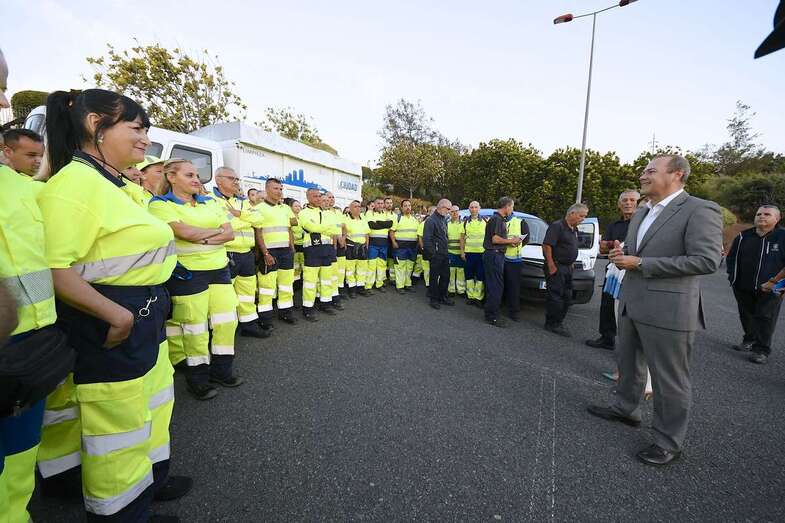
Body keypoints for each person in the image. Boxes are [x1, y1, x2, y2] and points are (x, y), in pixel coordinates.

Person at [38, 88, 187, 521]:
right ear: (95, 125)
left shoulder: (115, 184)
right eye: (136, 128)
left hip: (145, 311)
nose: (145, 139)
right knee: (118, 429)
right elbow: (54, 267)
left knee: (151, 407)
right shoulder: (75, 184)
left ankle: (150, 486)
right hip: (112, 318)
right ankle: (122, 513)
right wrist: (115, 314)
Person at [587, 154, 723, 467]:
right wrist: (623, 254)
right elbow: (637, 252)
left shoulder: (700, 209)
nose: (642, 175)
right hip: (632, 302)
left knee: (669, 379)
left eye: (650, 170)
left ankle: (667, 442)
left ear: (677, 174)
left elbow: (706, 260)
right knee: (629, 362)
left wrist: (641, 263)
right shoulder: (643, 211)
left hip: (669, 310)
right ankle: (626, 409)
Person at [0, 116, 59, 522]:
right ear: (7, 152)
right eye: (30, 154)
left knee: (20, 448)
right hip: (16, 337)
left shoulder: (26, 189)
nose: (37, 161)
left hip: (30, 337)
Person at [150, 158, 243, 402]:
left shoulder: (210, 201)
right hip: (188, 273)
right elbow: (183, 232)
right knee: (195, 327)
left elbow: (230, 234)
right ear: (171, 177)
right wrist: (214, 233)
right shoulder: (160, 204)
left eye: (197, 175)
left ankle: (222, 371)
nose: (196, 179)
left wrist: (201, 237)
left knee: (227, 321)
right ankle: (198, 379)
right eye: (189, 175)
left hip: (219, 270)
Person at [212, 167, 269, 339]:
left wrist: (237, 215)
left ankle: (249, 325)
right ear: (218, 180)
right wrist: (246, 219)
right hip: (227, 253)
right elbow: (225, 225)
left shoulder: (242, 201)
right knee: (224, 296)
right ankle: (222, 331)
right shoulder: (211, 200)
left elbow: (259, 219)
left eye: (237, 179)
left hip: (246, 254)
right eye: (232, 178)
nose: (236, 182)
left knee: (247, 293)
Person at [726, 205, 785, 364]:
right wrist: (732, 277)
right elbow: (731, 258)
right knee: (746, 314)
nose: (761, 216)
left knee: (765, 316)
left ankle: (761, 350)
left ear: (777, 218)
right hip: (742, 285)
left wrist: (777, 284)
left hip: (774, 287)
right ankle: (749, 340)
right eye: (759, 214)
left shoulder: (782, 237)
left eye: (767, 214)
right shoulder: (743, 236)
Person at [586, 190, 640, 350]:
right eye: (624, 200)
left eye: (632, 200)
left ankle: (630, 347)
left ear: (639, 203)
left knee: (629, 309)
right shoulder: (614, 225)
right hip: (612, 272)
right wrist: (613, 244)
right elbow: (602, 249)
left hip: (632, 272)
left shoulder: (642, 224)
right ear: (619, 204)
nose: (628, 203)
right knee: (607, 305)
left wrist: (612, 244)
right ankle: (607, 338)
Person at [255, 177, 298, 328]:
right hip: (270, 252)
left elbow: (290, 228)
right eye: (275, 188)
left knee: (286, 285)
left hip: (286, 251)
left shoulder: (286, 208)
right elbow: (258, 233)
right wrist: (265, 253)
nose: (279, 191)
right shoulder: (259, 208)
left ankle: (286, 312)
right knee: (267, 287)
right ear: (267, 189)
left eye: (280, 189)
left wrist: (292, 247)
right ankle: (265, 318)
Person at [542, 203, 588, 337]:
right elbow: (546, 246)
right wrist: (551, 265)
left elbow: (570, 247)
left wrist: (571, 262)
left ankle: (558, 321)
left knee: (567, 296)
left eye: (584, 216)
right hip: (557, 266)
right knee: (555, 296)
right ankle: (552, 324)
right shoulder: (557, 226)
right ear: (572, 213)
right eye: (581, 216)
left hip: (567, 267)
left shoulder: (574, 229)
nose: (583, 219)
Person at [483, 197, 522, 327]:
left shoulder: (497, 219)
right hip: (494, 255)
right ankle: (492, 317)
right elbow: (495, 239)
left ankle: (491, 313)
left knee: (494, 285)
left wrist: (509, 243)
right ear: (506, 206)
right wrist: (511, 241)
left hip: (494, 255)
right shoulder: (497, 219)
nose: (512, 209)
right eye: (512, 207)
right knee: (496, 286)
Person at [299, 188, 335, 321]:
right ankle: (308, 309)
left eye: (319, 196)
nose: (318, 198)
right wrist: (326, 227)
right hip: (312, 250)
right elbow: (311, 228)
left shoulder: (326, 212)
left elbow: (334, 229)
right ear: (308, 197)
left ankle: (325, 304)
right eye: (315, 196)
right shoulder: (303, 212)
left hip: (327, 249)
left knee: (326, 279)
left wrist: (320, 228)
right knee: (310, 282)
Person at [423, 199, 453, 309]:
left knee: (446, 276)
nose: (449, 211)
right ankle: (434, 299)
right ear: (441, 207)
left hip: (444, 253)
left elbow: (444, 236)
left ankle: (442, 296)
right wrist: (433, 254)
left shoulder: (443, 219)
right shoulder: (431, 220)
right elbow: (427, 239)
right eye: (448, 209)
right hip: (436, 255)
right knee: (434, 277)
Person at [502, 210, 530, 321]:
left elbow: (526, 239)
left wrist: (517, 245)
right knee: (499, 285)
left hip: (514, 260)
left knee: (513, 287)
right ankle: (499, 307)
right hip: (500, 258)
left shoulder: (520, 222)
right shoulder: (499, 221)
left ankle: (513, 311)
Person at [390, 199, 420, 294]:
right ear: (402, 208)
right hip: (400, 247)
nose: (408, 207)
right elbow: (391, 232)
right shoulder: (397, 218)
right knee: (400, 267)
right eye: (405, 206)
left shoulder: (415, 220)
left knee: (409, 267)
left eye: (409, 205)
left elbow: (418, 233)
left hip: (412, 247)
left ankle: (408, 284)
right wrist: (394, 242)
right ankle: (400, 286)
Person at [365, 197, 394, 292]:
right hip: (373, 243)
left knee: (382, 265)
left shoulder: (386, 213)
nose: (380, 205)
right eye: (378, 203)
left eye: (382, 203)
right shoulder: (369, 213)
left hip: (384, 243)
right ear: (374, 204)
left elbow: (390, 224)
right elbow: (371, 225)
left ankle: (379, 284)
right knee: (371, 265)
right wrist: (383, 224)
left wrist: (377, 223)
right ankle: (368, 285)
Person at [461, 201, 487, 307]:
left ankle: (478, 297)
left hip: (482, 254)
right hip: (469, 254)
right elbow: (462, 238)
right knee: (469, 276)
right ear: (469, 208)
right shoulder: (465, 222)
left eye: (476, 207)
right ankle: (470, 296)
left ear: (479, 208)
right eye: (472, 207)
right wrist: (462, 252)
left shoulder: (485, 221)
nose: (474, 209)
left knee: (481, 276)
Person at [344, 200, 371, 297]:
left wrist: (366, 245)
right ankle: (352, 289)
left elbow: (366, 233)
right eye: (355, 206)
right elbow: (343, 234)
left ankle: (361, 287)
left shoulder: (363, 218)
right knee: (350, 269)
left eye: (359, 206)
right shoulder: (345, 219)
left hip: (362, 247)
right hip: (351, 247)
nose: (358, 208)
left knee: (362, 269)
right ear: (350, 208)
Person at [447, 206, 466, 296]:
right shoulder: (446, 224)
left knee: (461, 271)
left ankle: (461, 290)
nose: (454, 213)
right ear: (450, 213)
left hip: (461, 252)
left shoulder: (464, 224)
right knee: (451, 271)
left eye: (456, 211)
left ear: (459, 212)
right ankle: (451, 290)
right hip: (450, 252)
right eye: (452, 211)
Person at [416, 206, 436, 288]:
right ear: (429, 213)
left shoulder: (439, 222)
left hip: (436, 249)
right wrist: (423, 248)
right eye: (433, 212)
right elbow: (420, 237)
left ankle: (435, 282)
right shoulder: (423, 224)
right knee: (426, 267)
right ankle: (428, 283)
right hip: (427, 249)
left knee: (435, 266)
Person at [290, 199, 305, 283]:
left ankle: (303, 281)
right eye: (295, 206)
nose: (298, 208)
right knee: (295, 265)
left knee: (303, 264)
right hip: (294, 245)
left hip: (303, 244)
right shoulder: (290, 218)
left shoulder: (303, 218)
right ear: (291, 207)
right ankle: (296, 283)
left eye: (299, 206)